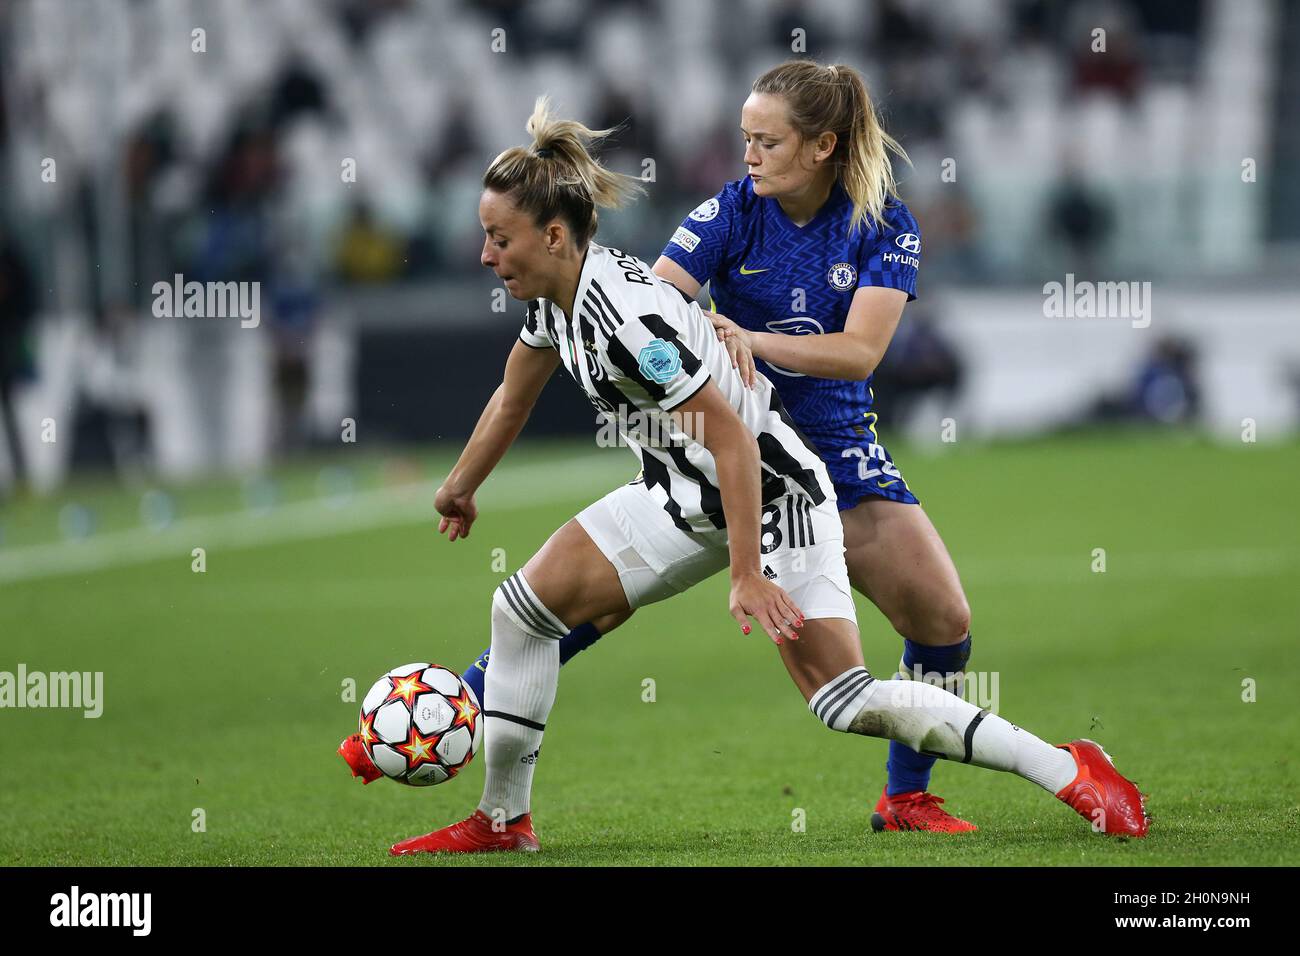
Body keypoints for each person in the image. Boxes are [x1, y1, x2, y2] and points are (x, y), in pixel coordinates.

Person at [343, 98, 1148, 854]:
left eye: (499, 239)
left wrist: (747, 575)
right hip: (679, 494)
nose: (485, 254)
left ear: (555, 236)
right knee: (521, 613)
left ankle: (1071, 769)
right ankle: (502, 821)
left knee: (844, 702)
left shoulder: (631, 326)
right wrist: (460, 484)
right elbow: (513, 395)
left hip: (774, 496)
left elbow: (732, 441)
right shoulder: (558, 300)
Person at [459, 60, 969, 833]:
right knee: (575, 608)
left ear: (823, 145)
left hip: (832, 454)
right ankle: (458, 708)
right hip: (733, 457)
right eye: (744, 138)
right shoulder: (731, 211)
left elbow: (861, 353)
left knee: (941, 622)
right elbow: (651, 303)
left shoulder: (883, 224)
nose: (749, 155)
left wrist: (749, 338)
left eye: (766, 140)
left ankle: (905, 799)